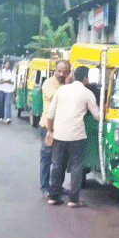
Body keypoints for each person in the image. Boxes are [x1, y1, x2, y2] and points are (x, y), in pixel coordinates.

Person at [45, 65, 100, 208]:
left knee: (57, 165)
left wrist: (50, 131)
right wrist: (104, 109)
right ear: (86, 78)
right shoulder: (87, 93)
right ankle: (73, 200)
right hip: (76, 136)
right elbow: (97, 115)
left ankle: (53, 197)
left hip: (59, 135)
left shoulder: (61, 90)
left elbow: (50, 114)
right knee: (76, 166)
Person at [39, 60, 71, 197]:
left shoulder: (67, 85)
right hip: (48, 127)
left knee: (62, 160)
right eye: (59, 70)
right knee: (47, 158)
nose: (61, 74)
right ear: (54, 70)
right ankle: (45, 187)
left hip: (63, 128)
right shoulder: (48, 83)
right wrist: (70, 86)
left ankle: (57, 186)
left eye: (65, 72)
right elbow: (57, 97)